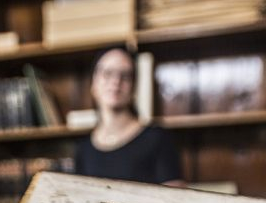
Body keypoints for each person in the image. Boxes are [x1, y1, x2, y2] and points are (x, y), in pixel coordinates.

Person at [75, 47, 184, 186]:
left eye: (125, 76)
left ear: (133, 88)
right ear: (93, 84)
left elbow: (176, 196)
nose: (116, 81)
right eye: (107, 73)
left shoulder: (158, 139)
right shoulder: (83, 149)